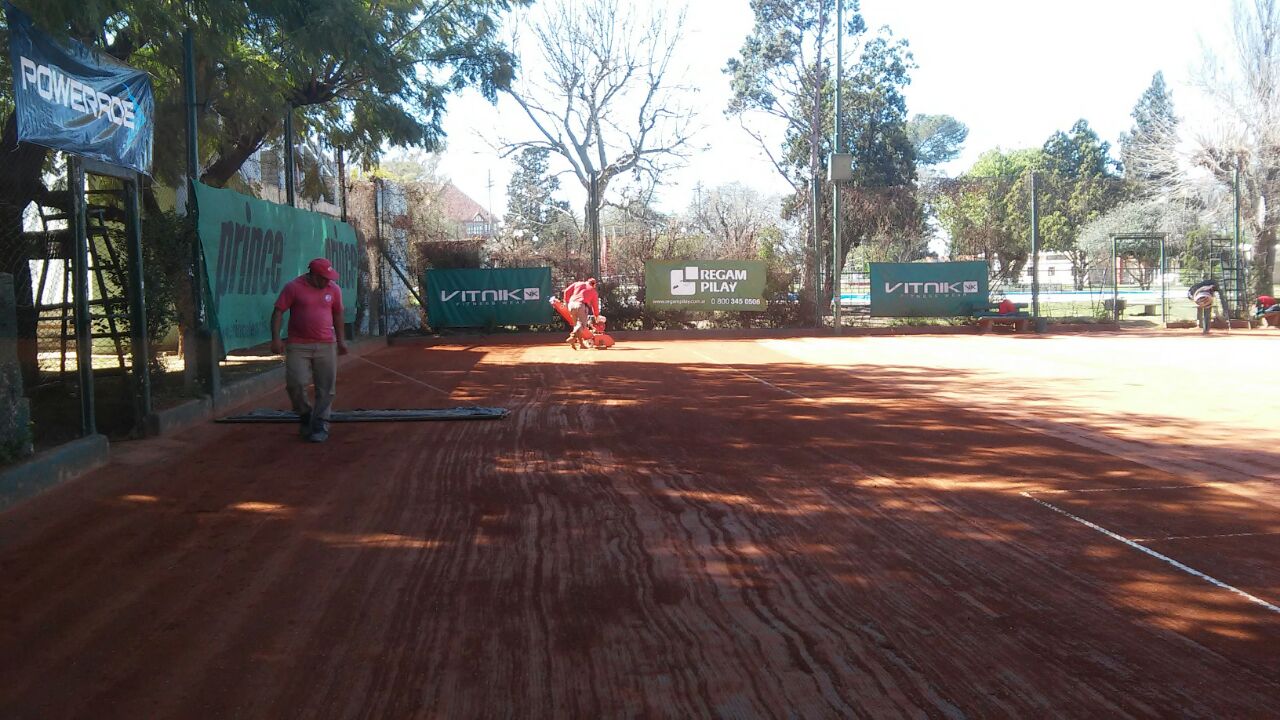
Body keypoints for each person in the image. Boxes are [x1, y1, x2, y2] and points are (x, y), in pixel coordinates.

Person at [270, 258, 349, 442]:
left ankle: (321, 423)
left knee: (326, 387)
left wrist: (341, 341)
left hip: (326, 344)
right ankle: (304, 413)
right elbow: (278, 312)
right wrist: (276, 338)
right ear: (312, 275)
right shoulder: (293, 287)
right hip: (298, 344)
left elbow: (338, 314)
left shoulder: (334, 289)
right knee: (295, 383)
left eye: (329, 278)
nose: (327, 281)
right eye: (323, 278)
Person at [561, 277, 600, 349]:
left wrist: (566, 302)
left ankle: (581, 344)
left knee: (576, 325)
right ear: (594, 284)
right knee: (581, 325)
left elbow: (566, 291)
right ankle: (572, 337)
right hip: (581, 305)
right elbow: (595, 305)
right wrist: (596, 316)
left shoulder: (577, 283)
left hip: (571, 304)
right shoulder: (593, 291)